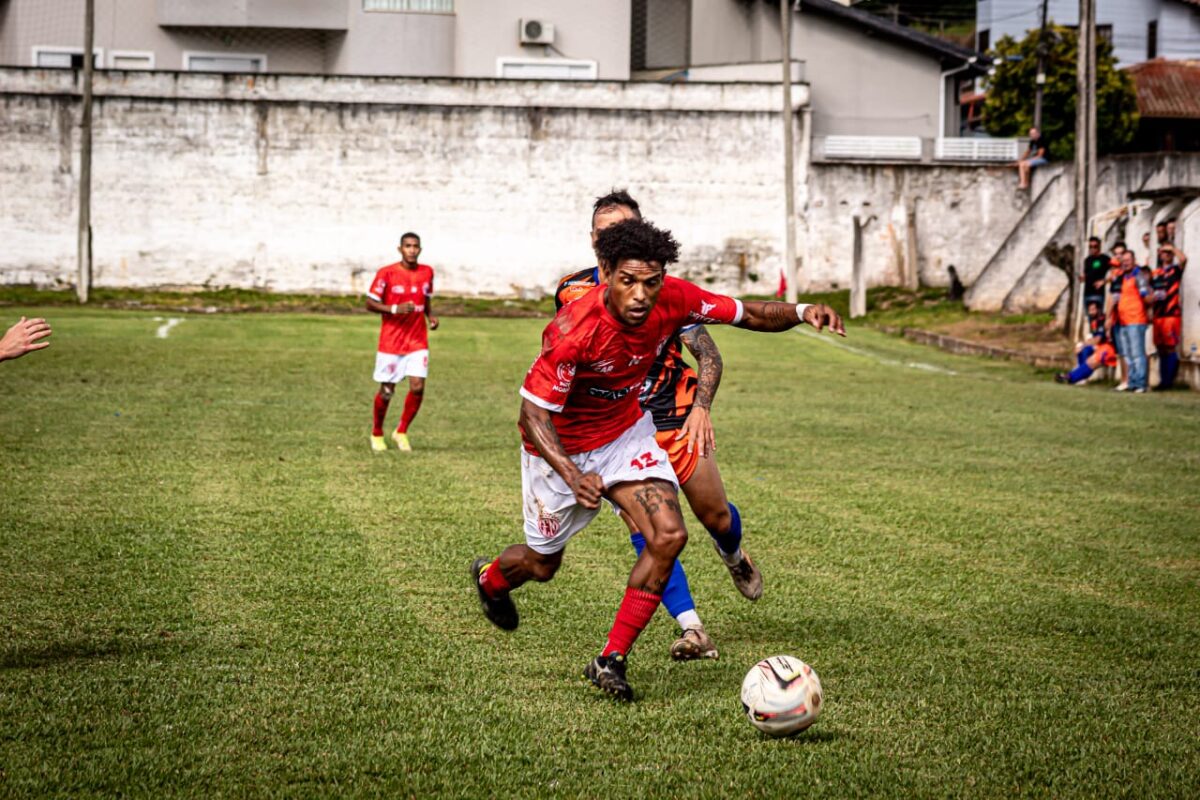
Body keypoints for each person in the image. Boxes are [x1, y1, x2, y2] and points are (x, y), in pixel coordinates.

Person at [470, 217, 844, 702]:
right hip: (559, 449)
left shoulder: (675, 299)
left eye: (651, 282)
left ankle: (610, 660)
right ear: (604, 272)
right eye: (628, 282)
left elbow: (747, 313)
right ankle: (491, 580)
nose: (641, 295)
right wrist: (572, 471)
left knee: (669, 534)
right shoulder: (572, 330)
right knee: (542, 565)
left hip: (626, 433)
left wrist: (803, 308)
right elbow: (533, 412)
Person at [554, 190, 760, 662]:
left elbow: (707, 353)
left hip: (673, 411)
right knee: (650, 528)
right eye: (606, 232)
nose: (615, 238)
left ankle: (733, 555)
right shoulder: (571, 291)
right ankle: (693, 628)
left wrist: (701, 407)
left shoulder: (660, 289)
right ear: (594, 241)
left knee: (717, 518)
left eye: (624, 228)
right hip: (620, 427)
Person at [365, 232, 439, 452]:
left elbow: (425, 299)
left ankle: (402, 431)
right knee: (387, 390)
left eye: (416, 246)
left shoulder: (427, 272)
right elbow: (369, 303)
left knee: (417, 387)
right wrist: (394, 309)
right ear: (400, 249)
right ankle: (377, 432)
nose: (412, 250)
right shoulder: (387, 273)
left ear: (420, 249)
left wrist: (430, 316)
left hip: (417, 340)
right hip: (391, 342)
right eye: (408, 246)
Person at [1107, 249, 1152, 393]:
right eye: (1123, 260)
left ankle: (1140, 383)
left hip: (1136, 319)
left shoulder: (1138, 276)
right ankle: (1131, 382)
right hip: (1122, 321)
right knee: (1127, 353)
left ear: (1134, 260)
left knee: (1137, 353)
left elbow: (1147, 297)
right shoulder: (1123, 277)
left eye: (1128, 260)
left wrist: (1151, 301)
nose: (1125, 263)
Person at [1151, 243, 1187, 390]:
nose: (1164, 255)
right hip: (1158, 314)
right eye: (1162, 252)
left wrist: (1172, 248)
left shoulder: (1175, 270)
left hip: (1171, 314)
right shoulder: (1156, 272)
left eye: (1167, 253)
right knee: (1160, 347)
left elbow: (1184, 260)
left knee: (1170, 346)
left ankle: (1168, 381)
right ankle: (1162, 380)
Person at [1056, 299, 1118, 385]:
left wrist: (1083, 344)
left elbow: (1098, 339)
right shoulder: (1094, 320)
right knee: (1084, 352)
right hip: (1102, 346)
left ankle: (1071, 376)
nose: (1091, 312)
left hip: (1110, 348)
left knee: (1090, 358)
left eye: (1093, 310)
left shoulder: (1104, 319)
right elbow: (1095, 338)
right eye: (1089, 310)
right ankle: (1077, 377)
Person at [1079, 236, 1109, 305]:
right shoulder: (1087, 260)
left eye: (1095, 246)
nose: (1092, 249)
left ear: (1099, 246)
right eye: (1090, 246)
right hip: (1087, 294)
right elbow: (1086, 274)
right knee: (1089, 315)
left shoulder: (1105, 259)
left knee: (1098, 315)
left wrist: (1104, 281)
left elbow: (1116, 272)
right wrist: (1082, 277)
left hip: (1098, 294)